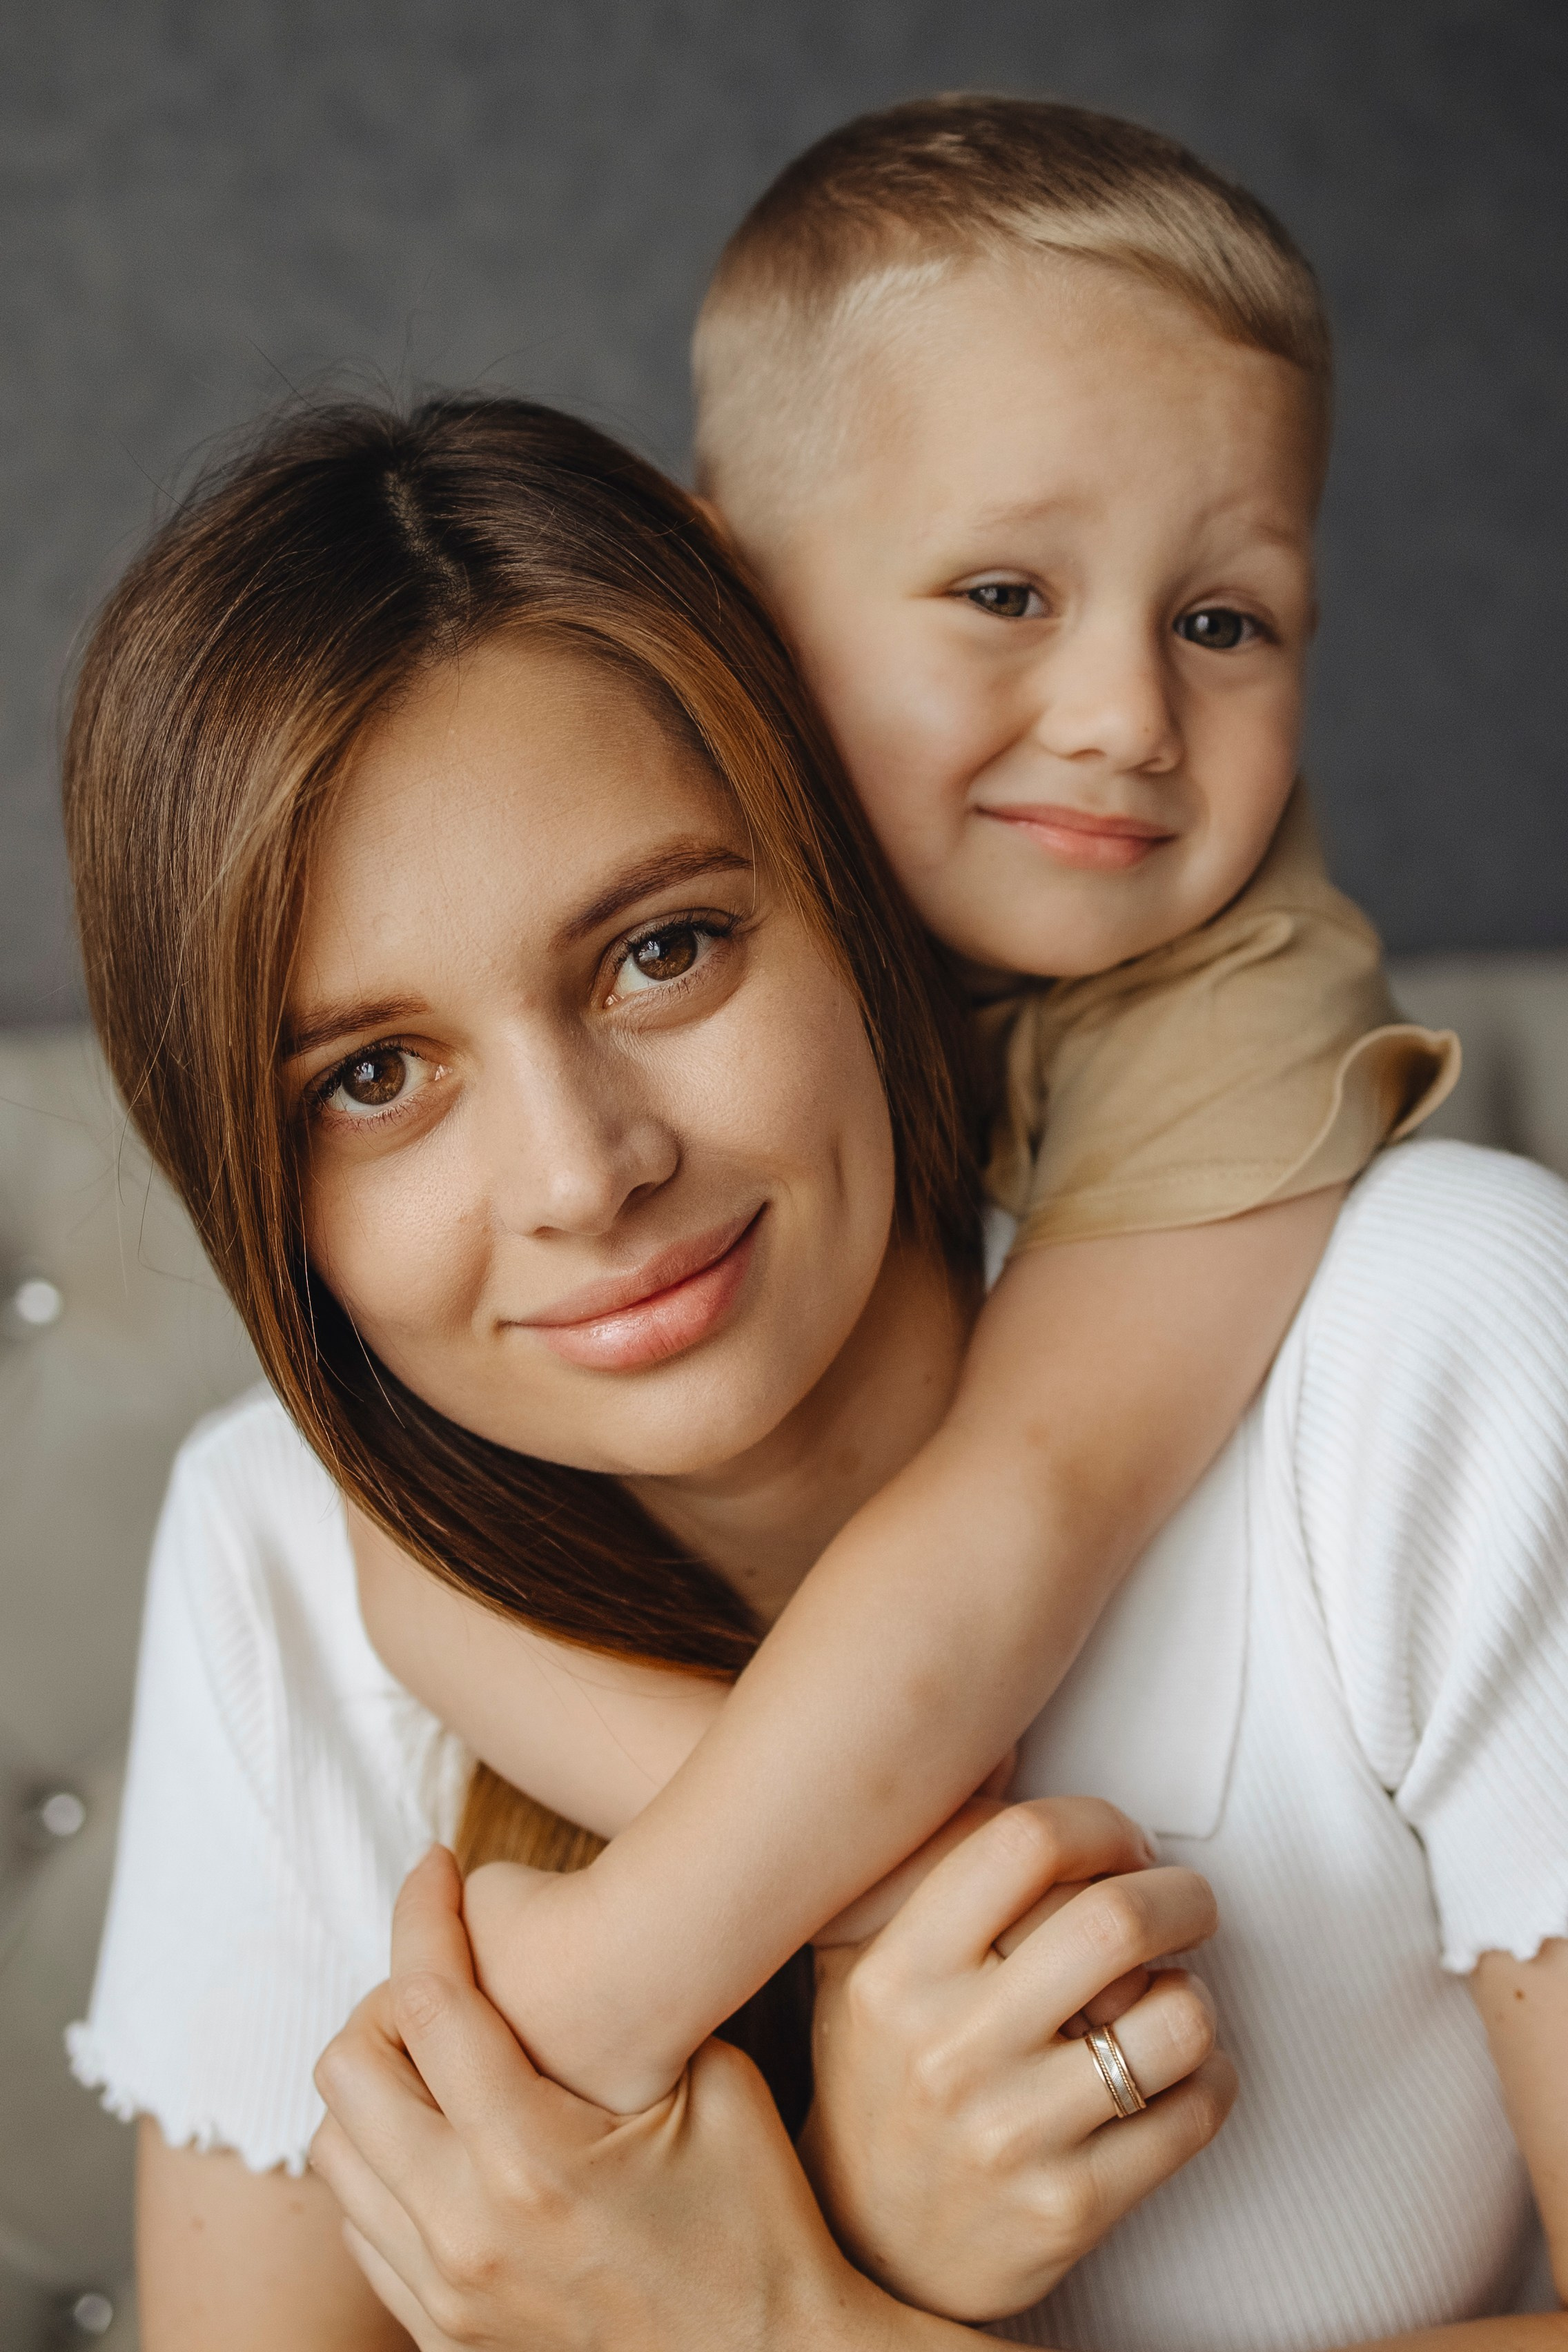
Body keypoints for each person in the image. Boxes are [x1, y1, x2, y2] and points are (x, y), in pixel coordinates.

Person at [63, 396, 1231, 2346]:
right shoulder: (275, 1538)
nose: (584, 1173)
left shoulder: (1424, 1348)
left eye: (663, 952)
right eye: (373, 1078)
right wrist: (863, 2257)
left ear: (848, 893)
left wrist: (791, 2325)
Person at [346, 96, 1469, 2115]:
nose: (1130, 718)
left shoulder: (1242, 983)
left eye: (1224, 621)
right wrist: (847, 1877)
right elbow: (398, 1554)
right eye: (1006, 596)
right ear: (730, 594)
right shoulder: (642, 964)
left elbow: (1019, 1514)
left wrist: (617, 1977)